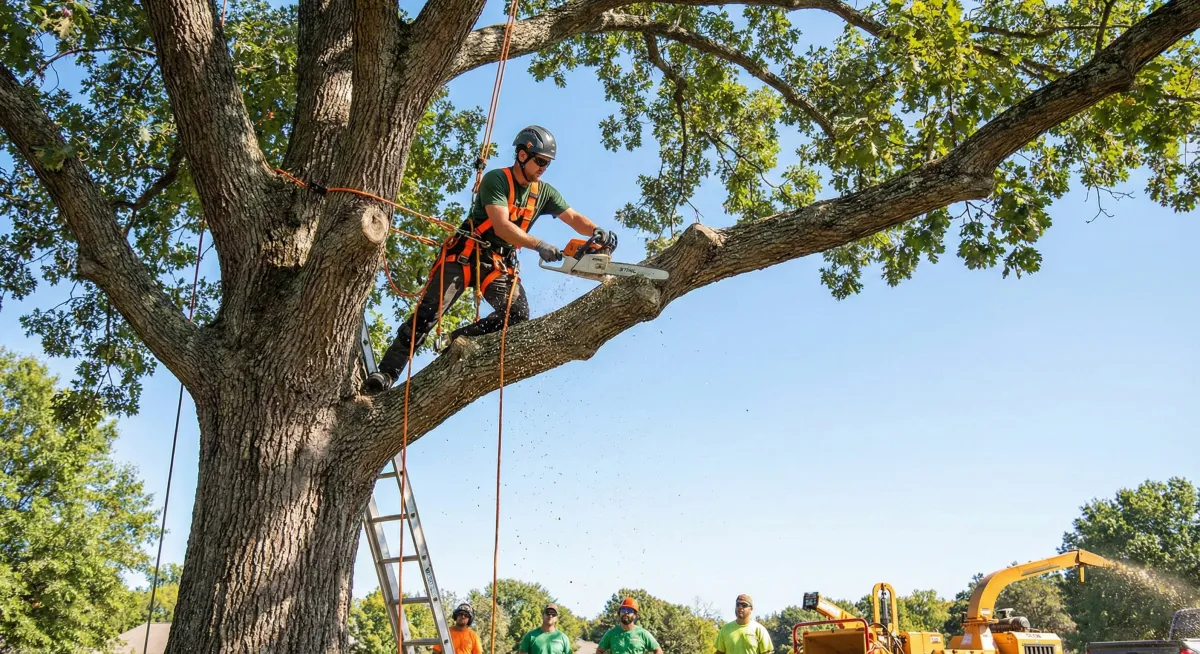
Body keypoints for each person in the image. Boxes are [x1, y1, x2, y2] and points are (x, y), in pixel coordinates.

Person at [365, 125, 616, 393]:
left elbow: (574, 218)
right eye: (540, 161)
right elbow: (502, 226)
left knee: (517, 316)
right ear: (522, 155)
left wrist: (597, 232)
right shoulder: (496, 180)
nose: (543, 168)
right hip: (464, 256)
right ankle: (386, 373)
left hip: (498, 264)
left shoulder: (544, 193)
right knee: (427, 315)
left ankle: (459, 339)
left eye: (547, 163)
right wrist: (539, 244)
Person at [597, 597, 664, 654]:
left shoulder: (642, 634)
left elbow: (658, 650)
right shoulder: (611, 634)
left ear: (635, 615)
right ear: (619, 613)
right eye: (623, 609)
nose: (626, 612)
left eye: (629, 610)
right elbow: (599, 650)